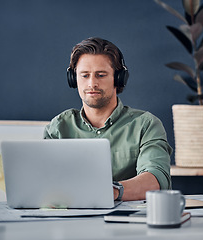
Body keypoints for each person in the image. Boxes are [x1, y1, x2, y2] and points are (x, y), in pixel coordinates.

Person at [44, 37, 172, 201]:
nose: (92, 83)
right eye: (84, 75)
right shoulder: (58, 127)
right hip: (70, 220)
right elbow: (46, 182)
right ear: (73, 79)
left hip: (129, 222)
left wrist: (111, 191)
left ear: (118, 78)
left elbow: (156, 179)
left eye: (101, 75)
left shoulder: (146, 125)